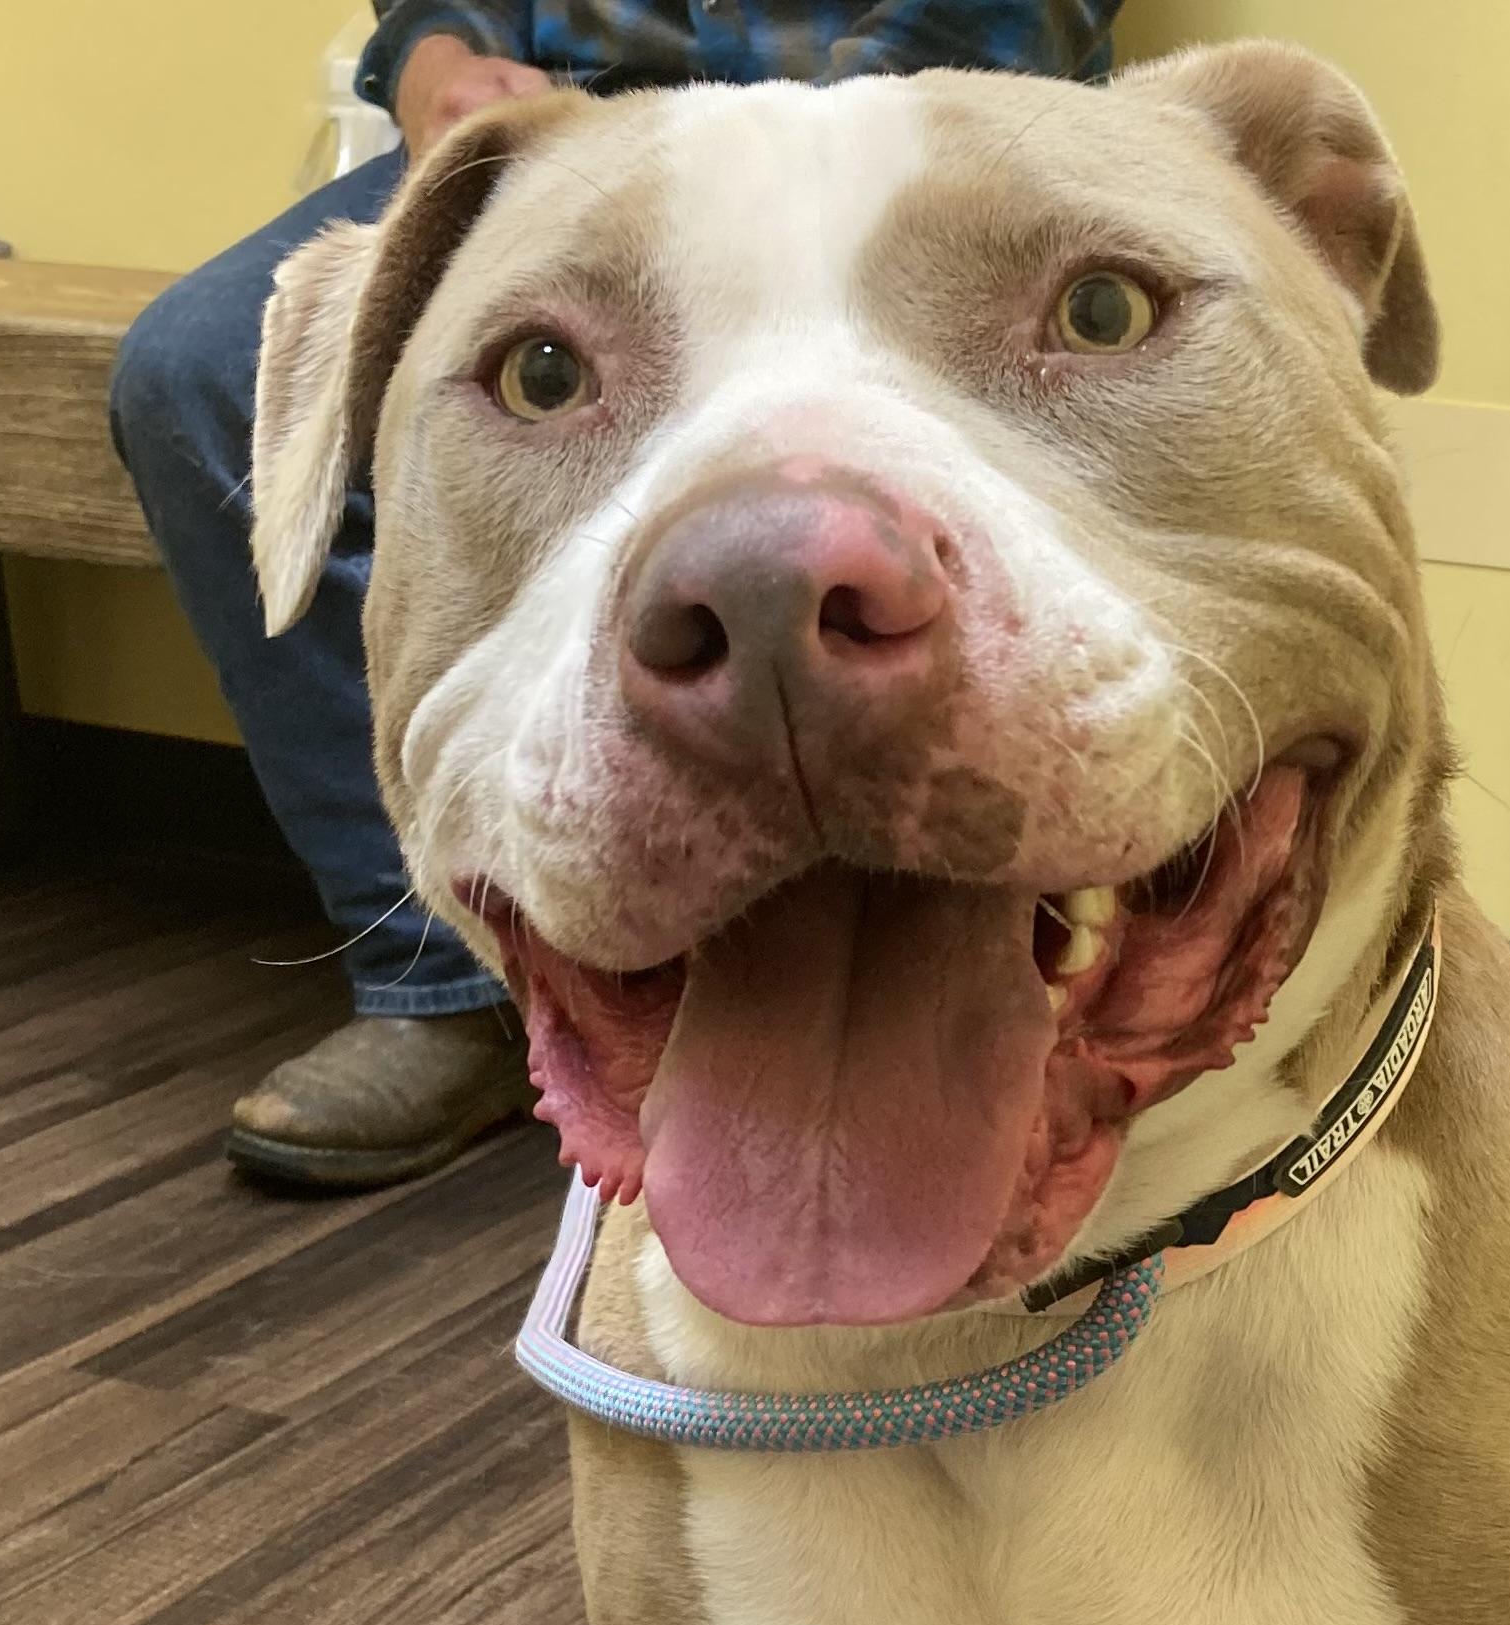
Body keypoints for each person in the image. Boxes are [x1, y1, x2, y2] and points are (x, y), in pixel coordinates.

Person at [111, 6, 1122, 1194]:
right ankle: (448, 966)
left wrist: (812, 130)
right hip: (572, 123)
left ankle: (1067, 914)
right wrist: (438, 66)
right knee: (192, 363)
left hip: (920, 109)